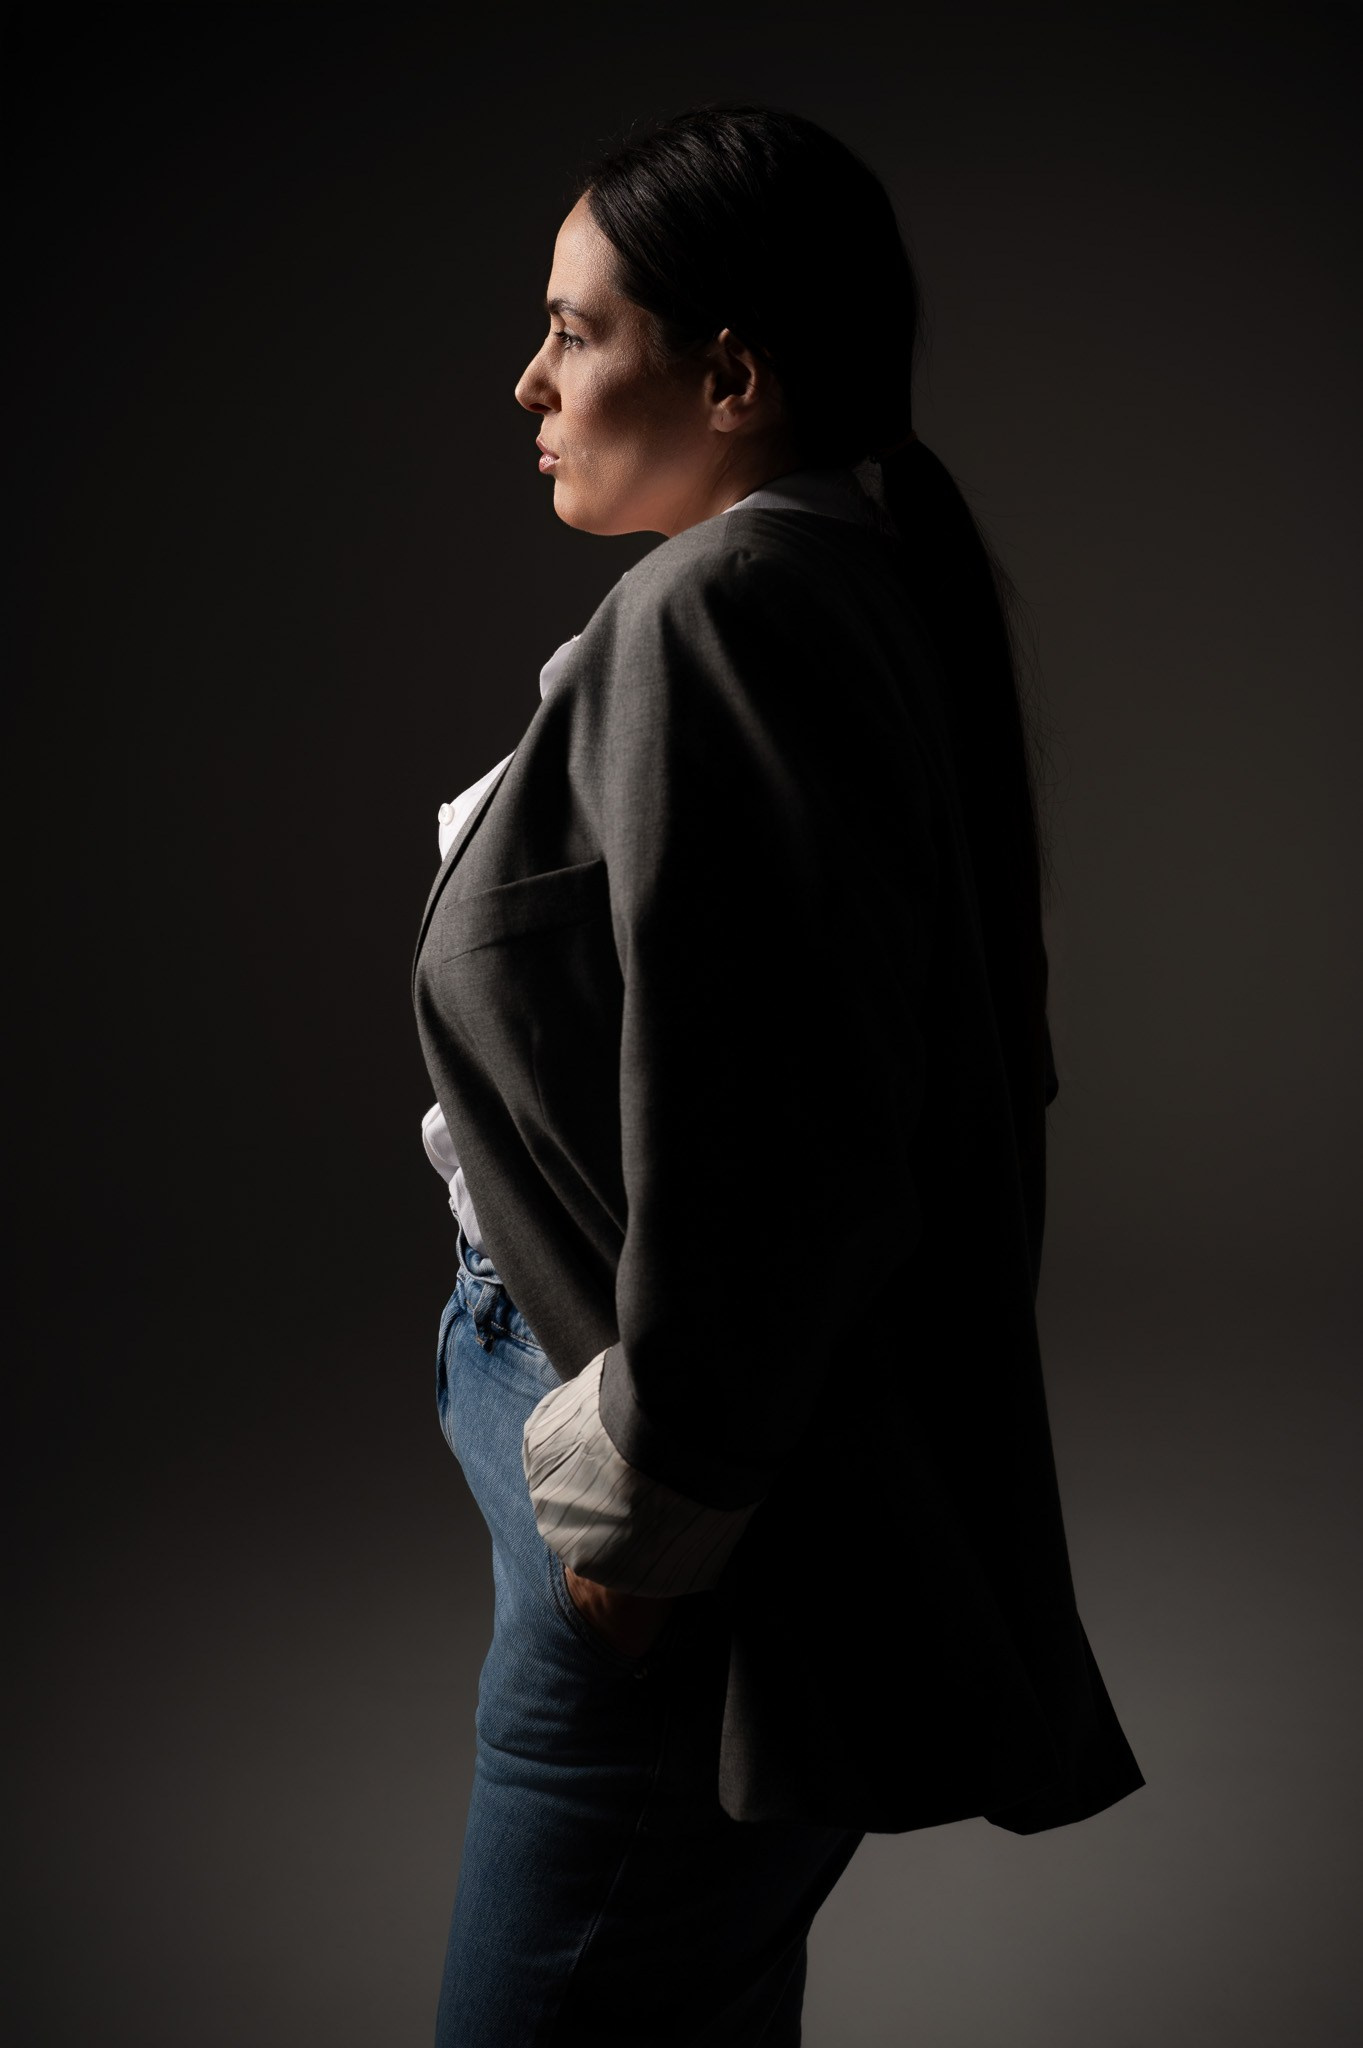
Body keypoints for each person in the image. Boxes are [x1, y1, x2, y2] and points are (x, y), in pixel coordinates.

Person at [411, 101, 1145, 2047]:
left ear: (730, 375)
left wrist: (649, 1522)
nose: (529, 381)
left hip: (669, 1522)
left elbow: (787, 1140)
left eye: (575, 331)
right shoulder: (835, 580)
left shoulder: (725, 611)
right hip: (675, 1481)